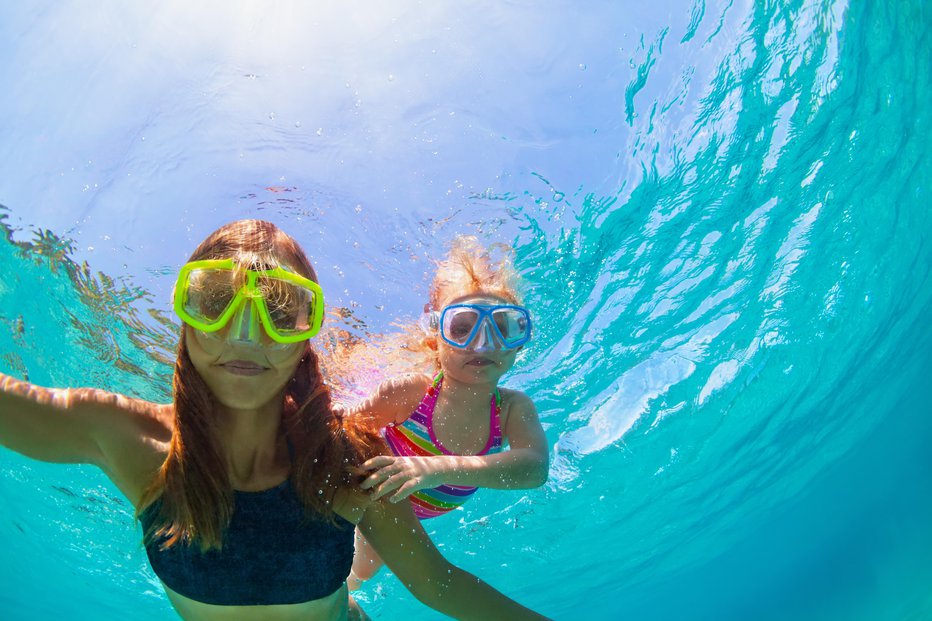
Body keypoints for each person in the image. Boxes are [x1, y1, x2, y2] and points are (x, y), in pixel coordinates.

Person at [0, 220, 549, 621]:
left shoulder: (346, 460)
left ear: (306, 337)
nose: (245, 334)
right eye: (214, 303)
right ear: (185, 321)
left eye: (281, 312)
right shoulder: (128, 437)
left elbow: (437, 584)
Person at [345, 235, 549, 591]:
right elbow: (337, 430)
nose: (482, 343)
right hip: (367, 493)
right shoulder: (411, 393)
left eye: (502, 328)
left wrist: (434, 468)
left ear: (518, 346)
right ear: (435, 339)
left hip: (404, 515)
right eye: (462, 327)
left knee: (360, 572)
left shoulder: (512, 409)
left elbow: (534, 469)